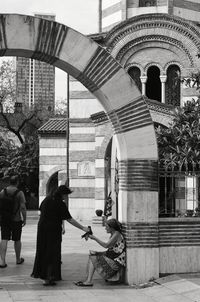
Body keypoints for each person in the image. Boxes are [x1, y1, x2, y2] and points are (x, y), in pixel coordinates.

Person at [31, 185, 90, 286]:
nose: (66, 197)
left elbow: (42, 211)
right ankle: (49, 277)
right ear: (63, 194)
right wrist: (83, 228)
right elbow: (69, 219)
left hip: (42, 229)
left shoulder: (47, 199)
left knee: (43, 250)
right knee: (53, 252)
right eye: (66, 195)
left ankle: (44, 276)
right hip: (53, 230)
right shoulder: (60, 203)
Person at [74, 218, 126, 287]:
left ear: (112, 228)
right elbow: (112, 251)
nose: (105, 228)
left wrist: (95, 238)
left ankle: (89, 281)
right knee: (93, 254)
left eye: (107, 227)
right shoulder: (113, 234)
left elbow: (106, 245)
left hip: (116, 264)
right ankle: (87, 280)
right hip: (113, 259)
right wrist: (98, 253)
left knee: (93, 258)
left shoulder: (116, 234)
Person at [0, 175, 27, 268]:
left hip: (4, 219)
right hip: (16, 219)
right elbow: (23, 207)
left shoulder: (2, 192)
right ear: (17, 182)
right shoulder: (19, 193)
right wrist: (25, 219)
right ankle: (18, 259)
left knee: (4, 239)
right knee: (17, 239)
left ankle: (2, 261)